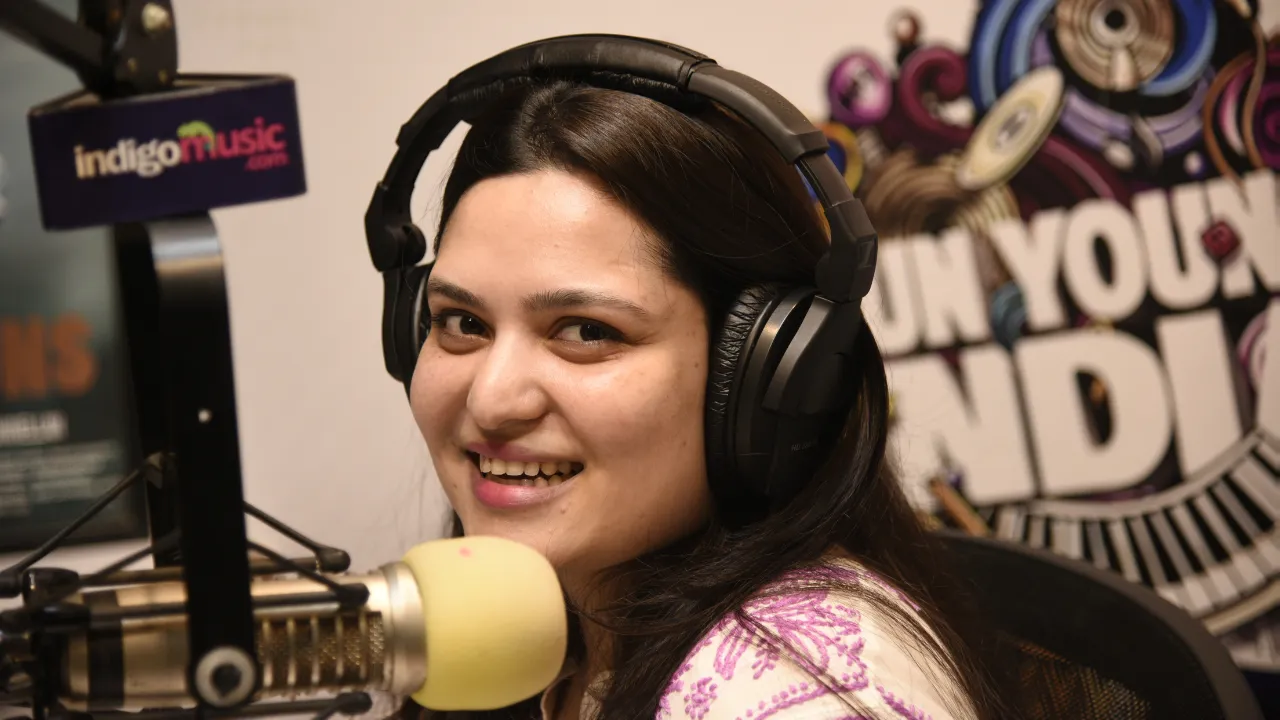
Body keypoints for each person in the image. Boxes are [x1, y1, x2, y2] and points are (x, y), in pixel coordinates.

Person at [389, 76, 1014, 720]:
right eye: (462, 322)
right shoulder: (533, 636)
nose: (491, 402)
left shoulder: (796, 696)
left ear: (764, 377)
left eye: (587, 332)